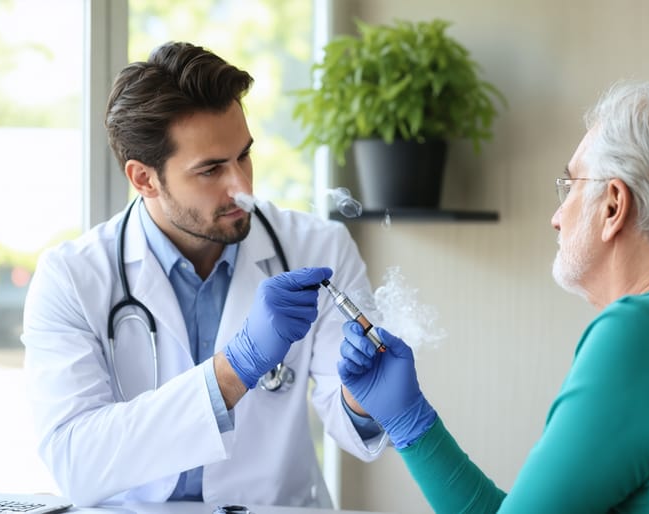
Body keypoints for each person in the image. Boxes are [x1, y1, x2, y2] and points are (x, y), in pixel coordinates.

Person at [338, 81, 649, 512]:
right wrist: (409, 419)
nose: (557, 215)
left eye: (569, 186)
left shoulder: (642, 335)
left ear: (614, 204)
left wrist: (409, 422)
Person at [21, 41, 386, 508]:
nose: (242, 185)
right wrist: (235, 369)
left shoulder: (317, 248)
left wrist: (365, 397)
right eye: (211, 169)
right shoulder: (72, 278)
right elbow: (76, 461)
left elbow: (354, 424)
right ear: (143, 178)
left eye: (244, 156)